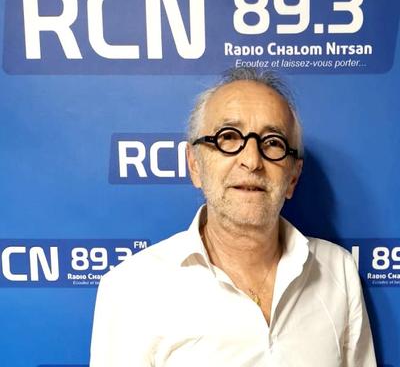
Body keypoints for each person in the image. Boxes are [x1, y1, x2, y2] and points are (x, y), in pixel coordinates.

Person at [90, 68, 376, 366]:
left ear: (293, 177)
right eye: (228, 137)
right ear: (194, 164)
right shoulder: (130, 288)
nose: (252, 161)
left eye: (273, 142)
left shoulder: (338, 270)